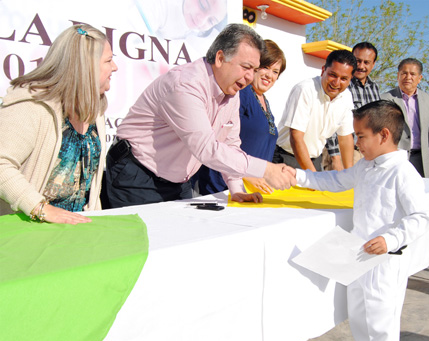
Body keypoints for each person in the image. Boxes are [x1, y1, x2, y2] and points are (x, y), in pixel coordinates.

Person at [293, 100, 429, 341]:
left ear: (383, 135)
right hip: (358, 256)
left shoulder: (402, 172)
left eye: (361, 136)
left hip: (385, 260)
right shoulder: (366, 166)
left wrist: (390, 238)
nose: (356, 143)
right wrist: (299, 177)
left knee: (381, 324)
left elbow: (420, 217)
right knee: (360, 318)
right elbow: (333, 181)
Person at [103, 24, 295, 209]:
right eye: (246, 67)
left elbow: (230, 143)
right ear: (220, 58)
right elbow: (207, 148)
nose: (250, 77)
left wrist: (236, 189)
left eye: (254, 69)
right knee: (147, 240)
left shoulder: (232, 92)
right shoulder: (185, 85)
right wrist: (267, 170)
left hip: (177, 182)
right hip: (137, 174)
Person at [0, 24, 117, 224]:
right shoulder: (31, 106)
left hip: (73, 232)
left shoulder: (94, 109)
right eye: (108, 60)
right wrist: (40, 208)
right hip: (28, 230)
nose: (114, 67)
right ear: (86, 66)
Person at [192, 39, 286, 195]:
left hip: (251, 189)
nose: (269, 75)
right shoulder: (241, 94)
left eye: (275, 71)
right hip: (223, 188)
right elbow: (221, 140)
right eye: (265, 67)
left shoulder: (264, 101)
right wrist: (246, 174)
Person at [273, 49, 356, 172]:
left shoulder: (346, 97)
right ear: (323, 70)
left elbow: (345, 138)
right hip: (285, 158)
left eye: (344, 78)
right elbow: (296, 136)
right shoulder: (305, 90)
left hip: (315, 161)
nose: (336, 83)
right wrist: (313, 176)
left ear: (350, 79)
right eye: (333, 75)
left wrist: (350, 173)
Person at [381, 58, 429, 178]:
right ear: (398, 75)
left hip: (420, 158)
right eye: (404, 73)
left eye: (412, 74)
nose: (407, 77)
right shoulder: (385, 98)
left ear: (419, 78)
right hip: (395, 157)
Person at [325, 41, 381, 169]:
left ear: (373, 64)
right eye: (358, 61)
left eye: (366, 62)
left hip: (369, 154)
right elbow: (331, 121)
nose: (361, 66)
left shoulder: (375, 88)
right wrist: (335, 157)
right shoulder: (339, 85)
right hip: (345, 152)